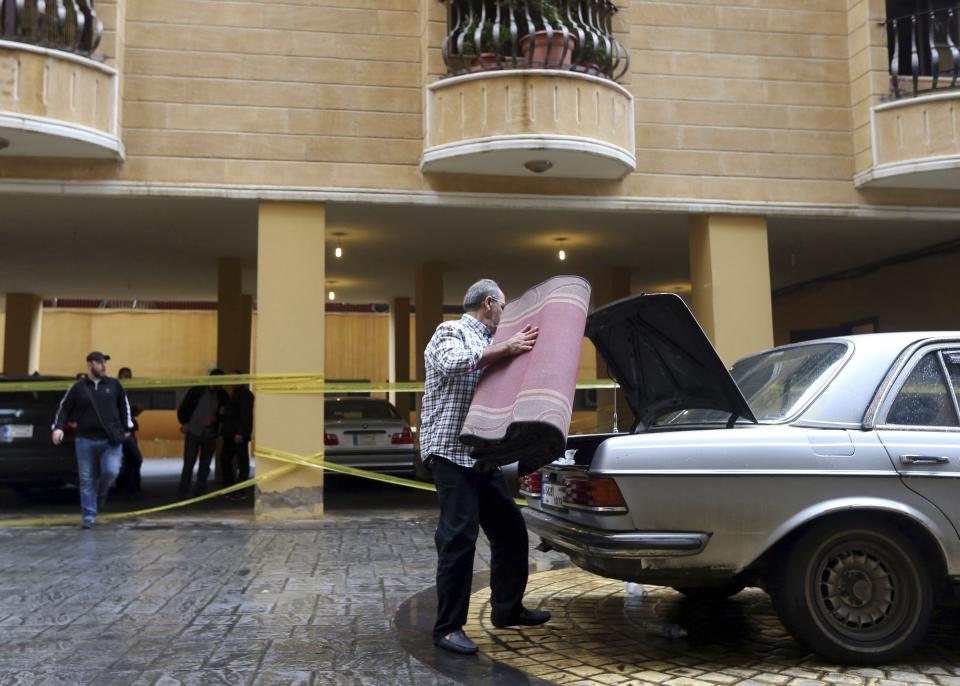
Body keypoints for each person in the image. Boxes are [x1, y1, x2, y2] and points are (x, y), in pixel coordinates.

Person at [420, 278, 548, 656]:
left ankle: (507, 610)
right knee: (459, 538)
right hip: (448, 451)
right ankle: (447, 629)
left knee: (511, 531)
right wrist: (506, 347)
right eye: (503, 307)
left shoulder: (494, 345)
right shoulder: (450, 331)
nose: (503, 314)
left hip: (481, 456)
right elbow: (453, 364)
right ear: (490, 304)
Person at [51, 351, 133, 529]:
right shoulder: (78, 388)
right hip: (85, 440)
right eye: (99, 362)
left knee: (111, 471)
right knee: (87, 479)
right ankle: (89, 517)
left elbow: (124, 407)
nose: (104, 365)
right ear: (90, 365)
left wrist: (127, 428)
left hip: (110, 440)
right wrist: (58, 427)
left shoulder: (115, 385)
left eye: (105, 362)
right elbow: (64, 408)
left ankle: (100, 493)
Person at [177, 369, 229, 497]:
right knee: (189, 462)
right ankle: (184, 490)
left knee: (205, 464)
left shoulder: (222, 395)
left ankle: (200, 490)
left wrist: (216, 417)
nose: (220, 384)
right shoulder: (197, 390)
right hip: (193, 431)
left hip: (210, 434)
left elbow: (225, 414)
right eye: (219, 381)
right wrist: (184, 422)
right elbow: (184, 406)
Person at [220, 370, 254, 495]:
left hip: (237, 435)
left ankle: (239, 491)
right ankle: (232, 489)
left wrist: (240, 433)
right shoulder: (234, 394)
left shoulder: (245, 395)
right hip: (230, 434)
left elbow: (245, 415)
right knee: (226, 460)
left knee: (241, 463)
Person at [116, 367, 145, 497]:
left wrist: (136, 410)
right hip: (119, 430)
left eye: (129, 376)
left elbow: (130, 413)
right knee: (133, 458)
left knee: (132, 459)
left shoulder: (131, 392)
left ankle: (132, 486)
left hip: (129, 429)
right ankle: (129, 486)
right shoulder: (115, 391)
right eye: (124, 376)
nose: (127, 378)